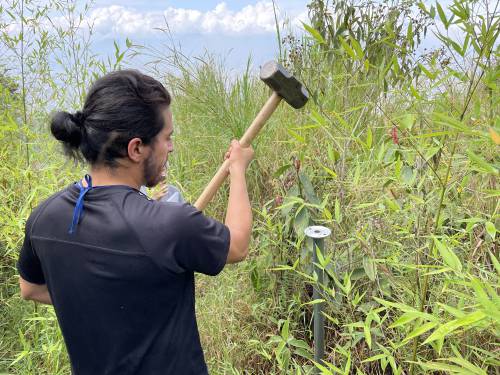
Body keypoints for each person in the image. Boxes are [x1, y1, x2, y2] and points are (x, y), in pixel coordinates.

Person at [17, 70, 254, 374]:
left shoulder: (44, 219)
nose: (170, 148)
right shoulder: (169, 225)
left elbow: (30, 288)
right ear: (136, 148)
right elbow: (237, 244)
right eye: (167, 138)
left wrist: (99, 300)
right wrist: (237, 169)